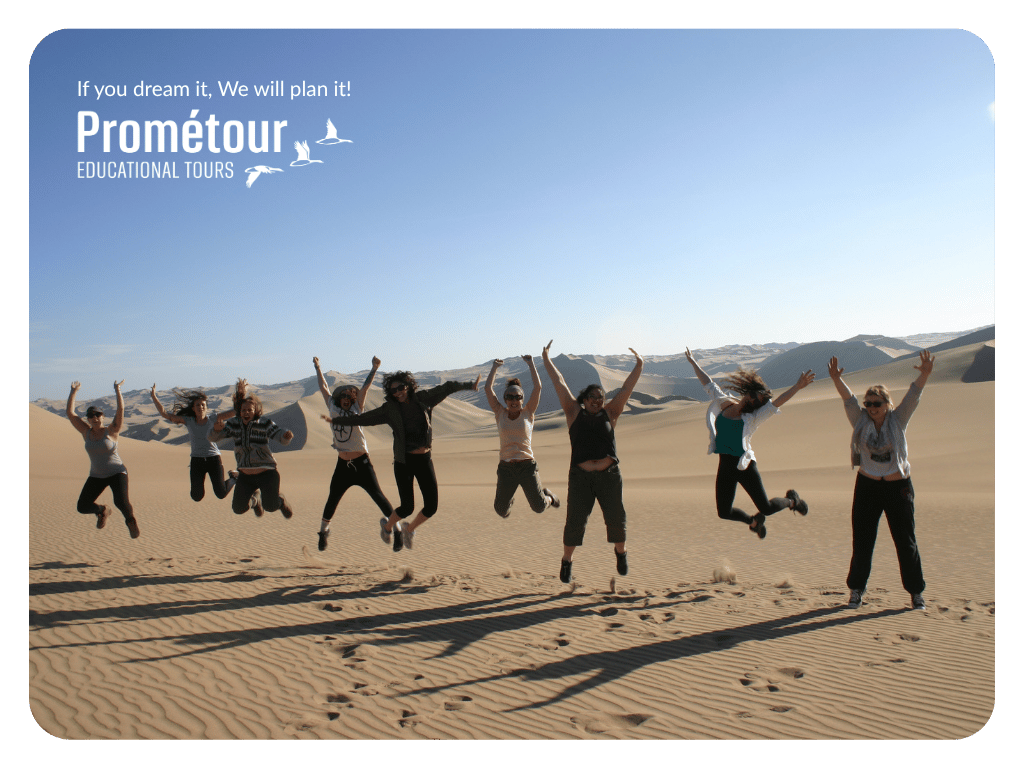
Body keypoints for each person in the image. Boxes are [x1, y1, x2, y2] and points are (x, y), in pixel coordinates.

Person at [324, 369, 481, 551]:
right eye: (393, 390)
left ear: (408, 386)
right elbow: (365, 419)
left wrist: (469, 385)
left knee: (431, 507)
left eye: (400, 387)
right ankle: (387, 527)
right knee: (407, 508)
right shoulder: (390, 409)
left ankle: (409, 529)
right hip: (403, 463)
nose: (398, 392)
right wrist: (339, 422)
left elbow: (445, 388)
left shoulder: (423, 398)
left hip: (424, 460)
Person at [828, 351, 934, 611]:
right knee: (862, 541)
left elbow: (913, 396)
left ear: (887, 404)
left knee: (905, 542)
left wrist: (925, 374)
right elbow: (848, 400)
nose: (872, 407)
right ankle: (856, 591)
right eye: (869, 403)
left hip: (898, 488)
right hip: (868, 487)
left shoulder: (898, 420)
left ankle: (916, 593)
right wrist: (835, 379)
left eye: (877, 403)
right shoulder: (860, 421)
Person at [541, 341, 643, 584]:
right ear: (584, 399)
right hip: (580, 478)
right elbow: (559, 383)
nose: (597, 400)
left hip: (609, 476)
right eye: (592, 397)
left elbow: (627, 388)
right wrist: (545, 357)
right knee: (575, 520)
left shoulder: (611, 412)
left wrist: (640, 364)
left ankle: (621, 553)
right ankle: (567, 561)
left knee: (616, 517)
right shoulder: (573, 412)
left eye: (600, 397)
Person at [685, 348, 814, 539]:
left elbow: (777, 403)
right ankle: (754, 522)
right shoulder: (723, 402)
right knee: (724, 512)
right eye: (754, 395)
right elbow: (708, 384)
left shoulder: (752, 418)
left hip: (744, 466)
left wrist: (797, 386)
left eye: (757, 402)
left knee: (767, 508)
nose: (753, 400)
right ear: (748, 392)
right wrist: (693, 362)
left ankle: (792, 501)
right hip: (726, 465)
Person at [313, 355, 395, 552]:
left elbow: (365, 389)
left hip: (362, 463)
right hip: (343, 465)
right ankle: (323, 532)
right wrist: (318, 367)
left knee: (378, 496)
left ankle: (397, 529)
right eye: (342, 397)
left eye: (348, 398)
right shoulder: (332, 408)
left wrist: (374, 369)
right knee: (333, 498)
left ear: (352, 399)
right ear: (338, 400)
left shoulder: (358, 408)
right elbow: (324, 388)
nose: (345, 400)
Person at [484, 355, 559, 519]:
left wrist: (531, 363)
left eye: (517, 396)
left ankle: (550, 498)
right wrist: (494, 368)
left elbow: (538, 387)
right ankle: (508, 502)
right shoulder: (500, 413)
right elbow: (488, 389)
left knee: (539, 507)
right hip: (506, 468)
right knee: (501, 511)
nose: (513, 400)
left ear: (522, 399)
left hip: (527, 466)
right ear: (505, 399)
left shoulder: (528, 412)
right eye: (509, 397)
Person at [209, 379, 295, 519]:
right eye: (243, 410)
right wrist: (215, 430)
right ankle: (255, 501)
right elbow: (214, 438)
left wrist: (285, 436)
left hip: (267, 473)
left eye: (250, 410)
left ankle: (281, 502)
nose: (246, 412)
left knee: (270, 506)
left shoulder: (264, 423)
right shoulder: (233, 424)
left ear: (256, 411)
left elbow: (279, 435)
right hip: (246, 475)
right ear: (240, 412)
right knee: (238, 508)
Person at [65, 380, 140, 539]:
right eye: (91, 415)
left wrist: (117, 390)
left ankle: (131, 521)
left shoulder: (112, 431)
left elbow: (121, 410)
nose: (94, 417)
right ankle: (102, 511)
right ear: (88, 419)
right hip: (97, 475)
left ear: (103, 417)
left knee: (121, 502)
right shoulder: (85, 432)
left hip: (117, 472)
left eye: (98, 414)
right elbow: (71, 414)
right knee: (82, 506)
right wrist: (73, 391)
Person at [150, 384, 238, 502]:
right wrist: (154, 397)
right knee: (196, 496)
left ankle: (233, 478)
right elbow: (165, 414)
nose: (200, 407)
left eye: (203, 405)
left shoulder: (213, 418)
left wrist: (239, 398)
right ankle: (233, 478)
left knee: (221, 493)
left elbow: (234, 412)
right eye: (197, 405)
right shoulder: (188, 420)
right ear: (193, 408)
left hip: (213, 459)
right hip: (197, 461)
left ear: (206, 407)